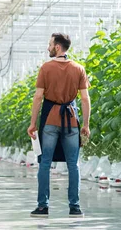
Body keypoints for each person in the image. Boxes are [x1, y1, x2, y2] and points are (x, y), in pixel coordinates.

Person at [27, 33, 90, 218]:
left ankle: (42, 206)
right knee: (73, 164)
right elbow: (85, 99)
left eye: (50, 44)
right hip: (71, 121)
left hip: (51, 121)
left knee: (45, 163)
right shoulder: (79, 68)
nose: (48, 48)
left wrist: (32, 123)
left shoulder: (46, 68)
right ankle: (75, 207)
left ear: (57, 47)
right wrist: (85, 125)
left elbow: (38, 96)